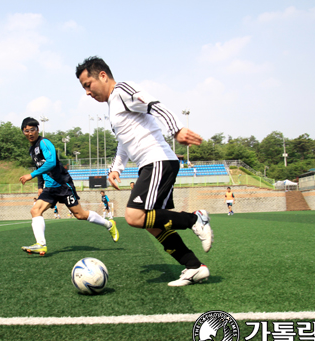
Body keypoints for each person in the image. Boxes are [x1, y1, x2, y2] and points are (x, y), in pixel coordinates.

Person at [76, 56, 213, 287]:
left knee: (134, 216)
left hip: (157, 160)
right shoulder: (113, 106)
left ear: (102, 75)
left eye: (87, 85)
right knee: (151, 224)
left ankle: (195, 218)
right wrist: (115, 169)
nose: (87, 93)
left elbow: (154, 104)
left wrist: (176, 129)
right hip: (152, 164)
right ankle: (194, 267)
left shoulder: (122, 91)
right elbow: (124, 143)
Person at [18, 117, 119, 256]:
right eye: (26, 131)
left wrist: (31, 175)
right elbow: (40, 166)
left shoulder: (44, 143)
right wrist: (40, 185)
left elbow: (51, 162)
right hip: (50, 188)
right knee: (35, 210)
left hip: (63, 185)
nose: (30, 133)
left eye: (32, 130)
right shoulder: (32, 149)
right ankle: (41, 245)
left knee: (80, 215)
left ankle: (109, 225)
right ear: (23, 132)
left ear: (38, 130)